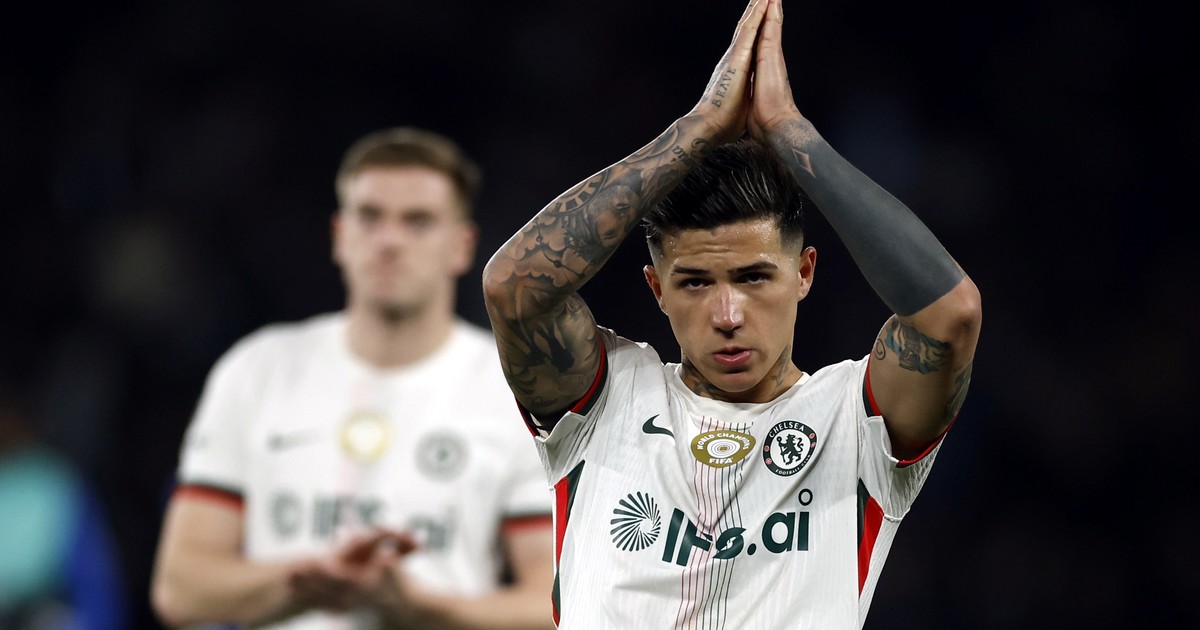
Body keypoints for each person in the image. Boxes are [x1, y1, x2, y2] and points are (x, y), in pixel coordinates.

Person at [481, 0, 982, 627]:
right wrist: (698, 127)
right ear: (656, 289)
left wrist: (789, 131)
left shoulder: (855, 422)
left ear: (804, 273)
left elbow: (951, 315)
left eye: (753, 278)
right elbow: (514, 288)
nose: (726, 314)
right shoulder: (606, 399)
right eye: (694, 282)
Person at [151, 127, 556, 629]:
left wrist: (423, 609)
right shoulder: (256, 369)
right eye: (370, 217)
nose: (389, 241)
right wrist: (306, 582)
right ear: (340, 235)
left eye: (418, 221)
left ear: (462, 245)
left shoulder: (511, 388)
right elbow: (180, 588)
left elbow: (557, 605)